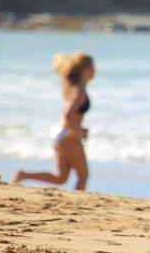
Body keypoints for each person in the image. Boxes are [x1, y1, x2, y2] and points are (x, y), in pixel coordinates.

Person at [13, 51, 94, 191]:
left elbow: (71, 115)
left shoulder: (75, 88)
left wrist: (79, 129)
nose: (95, 71)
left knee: (61, 178)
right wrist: (77, 132)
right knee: (83, 175)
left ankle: (23, 175)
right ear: (85, 69)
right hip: (67, 136)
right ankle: (77, 205)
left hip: (60, 134)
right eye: (93, 68)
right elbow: (67, 113)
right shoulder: (79, 92)